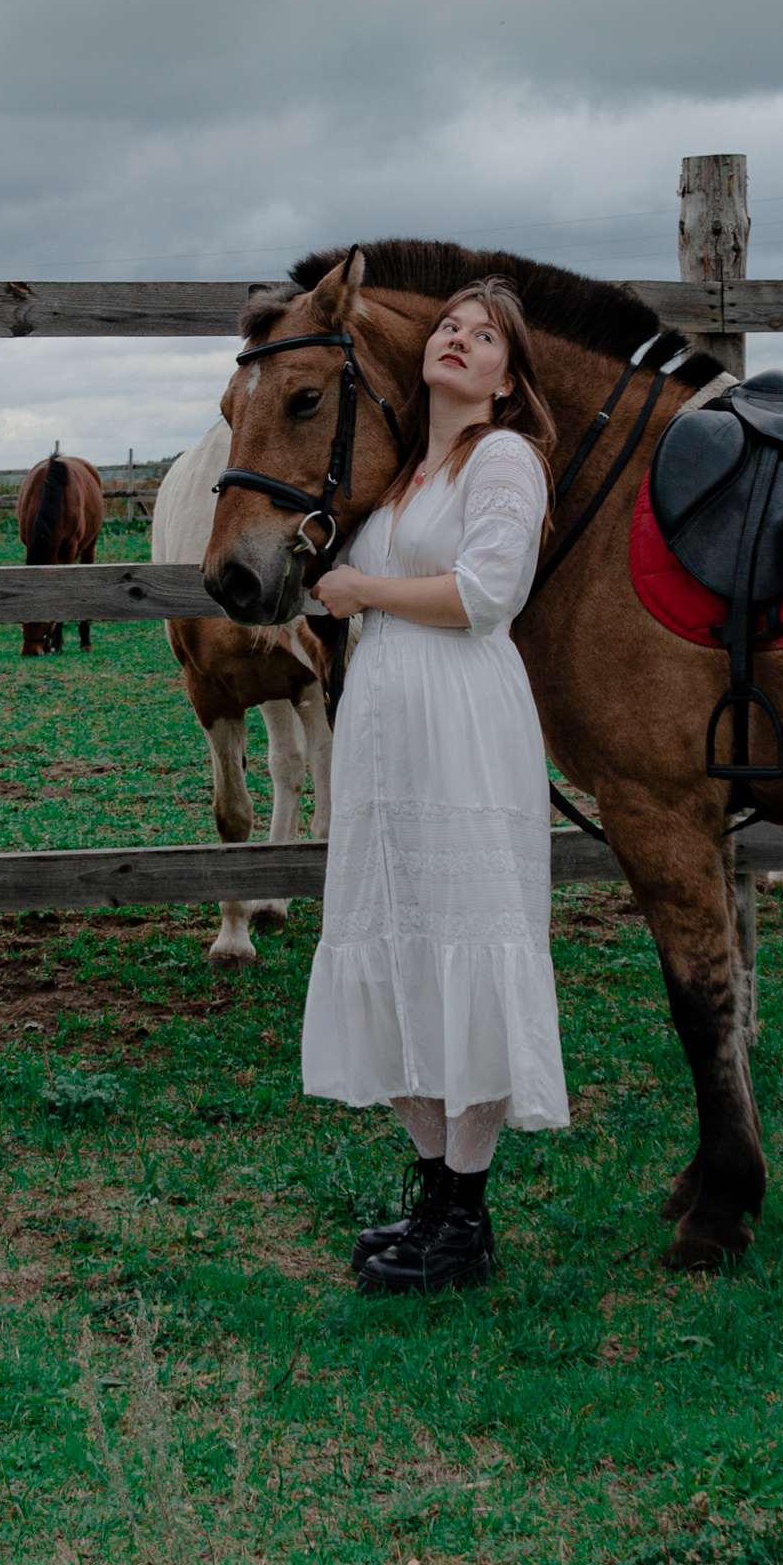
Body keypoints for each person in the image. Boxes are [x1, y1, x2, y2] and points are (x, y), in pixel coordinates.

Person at [299, 281, 568, 1292]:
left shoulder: (503, 459)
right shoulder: (402, 473)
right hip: (385, 742)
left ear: (507, 379)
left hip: (462, 729)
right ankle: (436, 1203)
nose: (458, 338)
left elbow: (486, 592)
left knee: (468, 937)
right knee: (401, 946)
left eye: (484, 335)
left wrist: (361, 589)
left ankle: (464, 1217)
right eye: (449, 326)